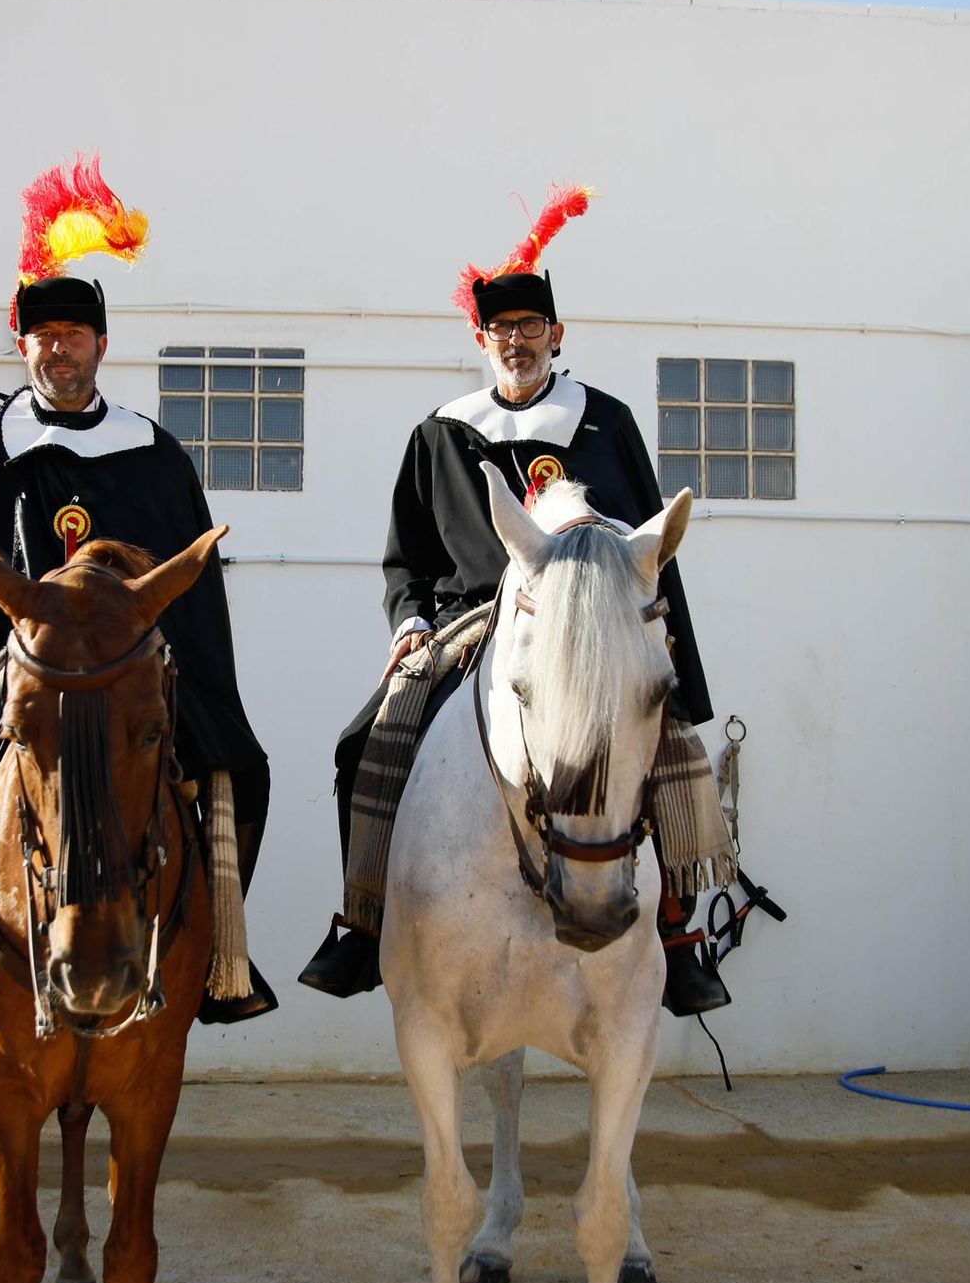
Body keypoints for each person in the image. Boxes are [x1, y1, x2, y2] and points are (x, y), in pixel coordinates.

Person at [0, 156, 273, 1034]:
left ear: (101, 344)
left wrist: (201, 686)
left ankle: (216, 961)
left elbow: (194, 596)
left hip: (130, 666)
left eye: (74, 334)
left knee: (243, 770)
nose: (58, 347)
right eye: (41, 334)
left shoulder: (155, 452)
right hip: (3, 660)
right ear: (23, 345)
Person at [298, 183, 731, 1015]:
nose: (517, 343)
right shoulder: (441, 433)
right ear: (482, 339)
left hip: (591, 630)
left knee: (672, 745)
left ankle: (678, 932)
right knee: (366, 741)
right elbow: (406, 560)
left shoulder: (605, 423)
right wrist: (412, 622)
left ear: (556, 335)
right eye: (502, 331)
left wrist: (667, 646)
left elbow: (651, 552)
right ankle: (364, 921)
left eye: (531, 328)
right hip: (470, 625)